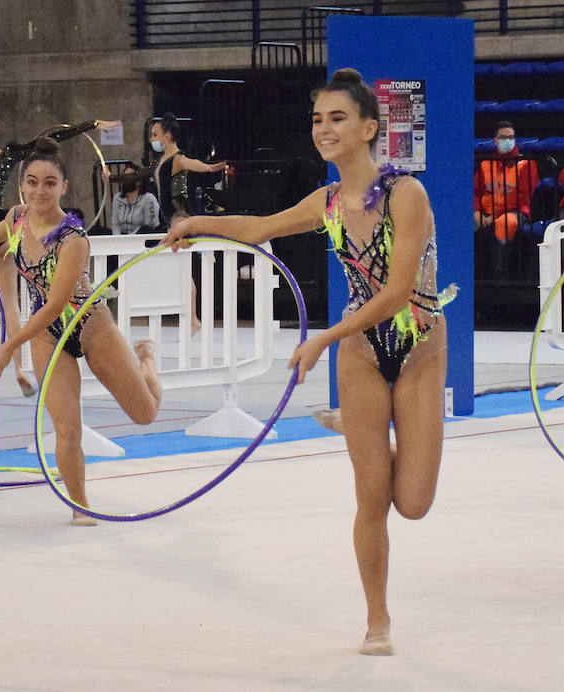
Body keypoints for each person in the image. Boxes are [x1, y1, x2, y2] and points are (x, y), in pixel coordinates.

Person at [164, 68, 449, 655]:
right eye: (318, 119)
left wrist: (321, 337)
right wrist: (198, 225)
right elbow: (261, 228)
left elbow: (397, 293)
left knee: (414, 504)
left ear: (369, 128)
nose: (324, 128)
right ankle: (378, 620)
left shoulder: (406, 195)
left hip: (418, 347)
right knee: (372, 498)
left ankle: (370, 430)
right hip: (361, 355)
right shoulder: (326, 201)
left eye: (337, 118)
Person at [0, 138, 163, 526]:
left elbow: (55, 304)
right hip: (47, 336)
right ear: (22, 185)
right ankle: (80, 507)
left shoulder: (74, 239)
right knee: (66, 430)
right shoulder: (17, 218)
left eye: (49, 183)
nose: (39, 190)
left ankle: (146, 361)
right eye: (32, 182)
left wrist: (7, 347)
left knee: (145, 414)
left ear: (64, 187)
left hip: (89, 325)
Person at [0, 100, 119, 395]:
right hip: (2, 231)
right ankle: (19, 368)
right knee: (10, 304)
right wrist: (93, 124)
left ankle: (12, 364)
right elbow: (52, 139)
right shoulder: (6, 154)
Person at [148, 113, 227, 333]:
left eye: (155, 135)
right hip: (171, 217)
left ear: (167, 136)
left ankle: (193, 318)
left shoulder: (177, 159)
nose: (151, 139)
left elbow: (195, 164)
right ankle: (190, 316)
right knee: (180, 270)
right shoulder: (163, 160)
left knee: (183, 270)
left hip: (179, 216)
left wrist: (211, 168)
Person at [474, 120, 539, 244]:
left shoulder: (526, 164)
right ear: (495, 141)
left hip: (515, 211)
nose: (507, 141)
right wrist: (477, 213)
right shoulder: (486, 163)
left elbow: (521, 197)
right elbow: (475, 192)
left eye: (510, 137)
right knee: (464, 222)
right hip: (485, 213)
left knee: (504, 224)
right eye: (503, 137)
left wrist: (494, 214)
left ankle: (499, 264)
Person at [110, 162, 161, 235]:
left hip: (141, 237)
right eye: (125, 177)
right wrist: (118, 238)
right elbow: (115, 224)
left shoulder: (149, 198)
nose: (127, 180)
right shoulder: (117, 198)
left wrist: (130, 238)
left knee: (146, 229)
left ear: (139, 181)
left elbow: (150, 225)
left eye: (130, 177)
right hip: (121, 237)